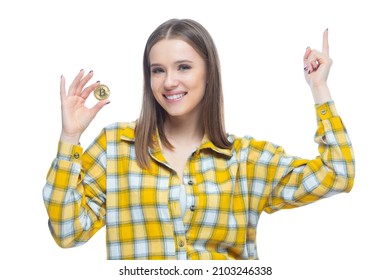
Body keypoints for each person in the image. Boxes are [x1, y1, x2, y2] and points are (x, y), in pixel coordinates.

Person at [42, 19, 355, 260]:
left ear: (209, 73)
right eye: (158, 70)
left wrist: (319, 89)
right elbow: (68, 232)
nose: (169, 82)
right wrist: (70, 137)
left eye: (184, 67)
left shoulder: (245, 160)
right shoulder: (116, 146)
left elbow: (338, 175)